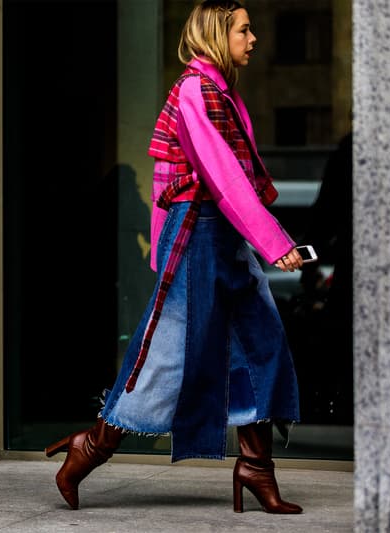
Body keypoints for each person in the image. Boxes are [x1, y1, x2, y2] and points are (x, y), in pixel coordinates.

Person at [45, 0, 303, 514]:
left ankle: (255, 467)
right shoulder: (196, 91)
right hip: (199, 234)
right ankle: (89, 448)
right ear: (216, 33)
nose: (253, 40)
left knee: (263, 345)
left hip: (218, 234)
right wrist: (275, 244)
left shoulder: (221, 92)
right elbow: (223, 178)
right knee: (167, 357)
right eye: (244, 30)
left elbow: (215, 180)